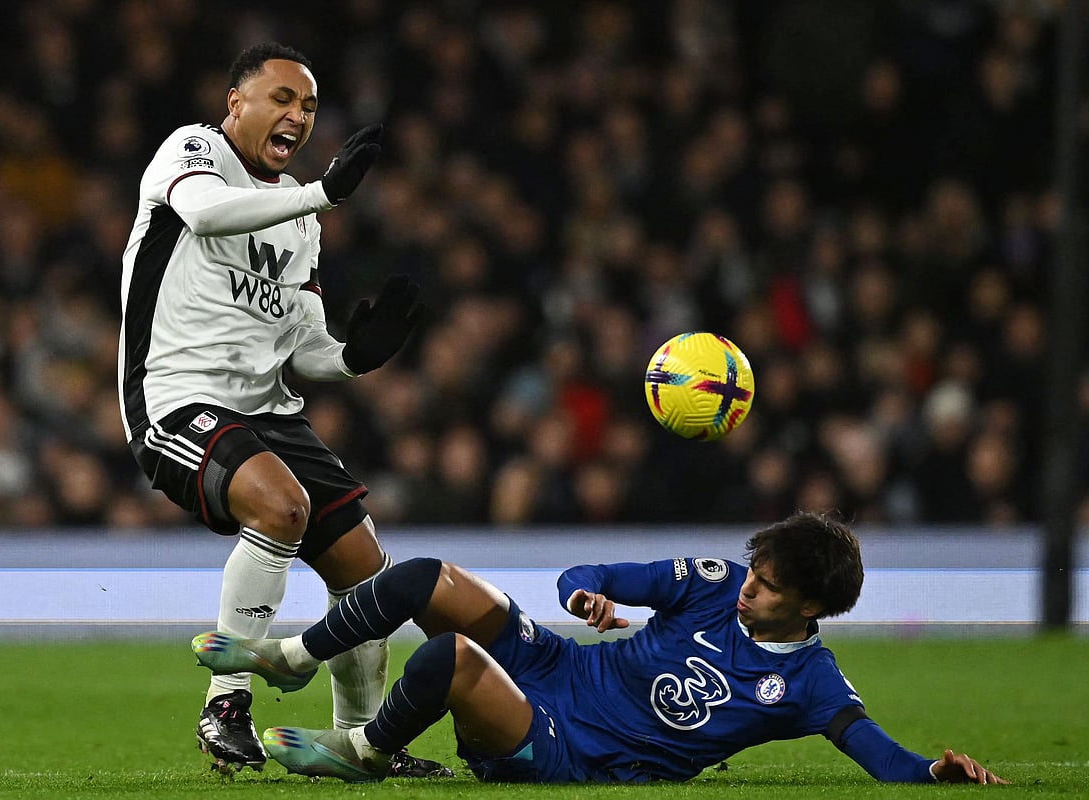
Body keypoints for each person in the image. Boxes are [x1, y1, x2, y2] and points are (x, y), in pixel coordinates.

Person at [117, 41, 448, 777]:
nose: (297, 115)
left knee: (366, 568)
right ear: (235, 102)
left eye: (309, 106)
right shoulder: (192, 153)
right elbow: (204, 216)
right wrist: (324, 192)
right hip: (176, 398)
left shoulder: (300, 222)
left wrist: (356, 357)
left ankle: (363, 744)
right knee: (282, 507)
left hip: (268, 414)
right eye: (281, 98)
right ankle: (226, 699)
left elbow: (305, 349)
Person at [191, 511, 1009, 785]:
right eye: (753, 571)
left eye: (766, 587)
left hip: (567, 747)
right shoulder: (715, 578)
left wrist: (933, 773)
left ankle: (368, 751)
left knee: (446, 662)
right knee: (426, 579)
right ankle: (294, 659)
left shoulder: (810, 684)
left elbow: (880, 756)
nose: (748, 589)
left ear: (813, 607)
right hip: (560, 666)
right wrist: (588, 595)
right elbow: (590, 570)